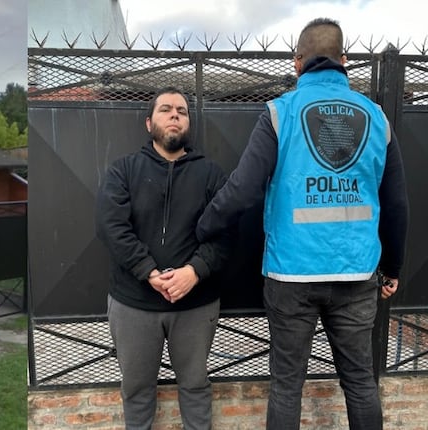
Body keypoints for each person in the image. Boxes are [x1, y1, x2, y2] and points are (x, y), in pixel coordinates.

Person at [195, 18, 409, 430]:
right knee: (361, 383)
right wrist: (393, 267)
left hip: (291, 273)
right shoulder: (378, 118)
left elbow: (242, 188)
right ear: (344, 61)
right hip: (357, 271)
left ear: (297, 63)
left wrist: (204, 226)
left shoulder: (280, 113)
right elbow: (396, 202)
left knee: (287, 387)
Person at [95, 86, 231, 430]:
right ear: (148, 122)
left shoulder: (212, 175)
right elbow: (111, 227)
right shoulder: (123, 171)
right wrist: (148, 271)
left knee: (196, 386)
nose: (174, 115)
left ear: (188, 123)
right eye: (166, 109)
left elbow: (228, 233)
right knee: (137, 390)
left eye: (182, 111)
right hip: (133, 303)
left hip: (196, 304)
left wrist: (193, 272)